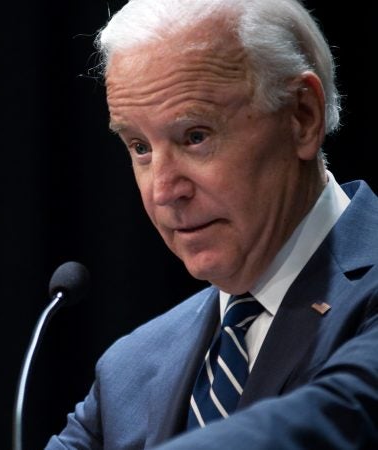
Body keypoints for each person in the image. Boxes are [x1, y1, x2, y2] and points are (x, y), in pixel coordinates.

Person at [46, 0, 378, 448]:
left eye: (195, 136)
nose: (163, 190)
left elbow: (337, 417)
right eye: (140, 147)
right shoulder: (128, 369)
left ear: (302, 117)